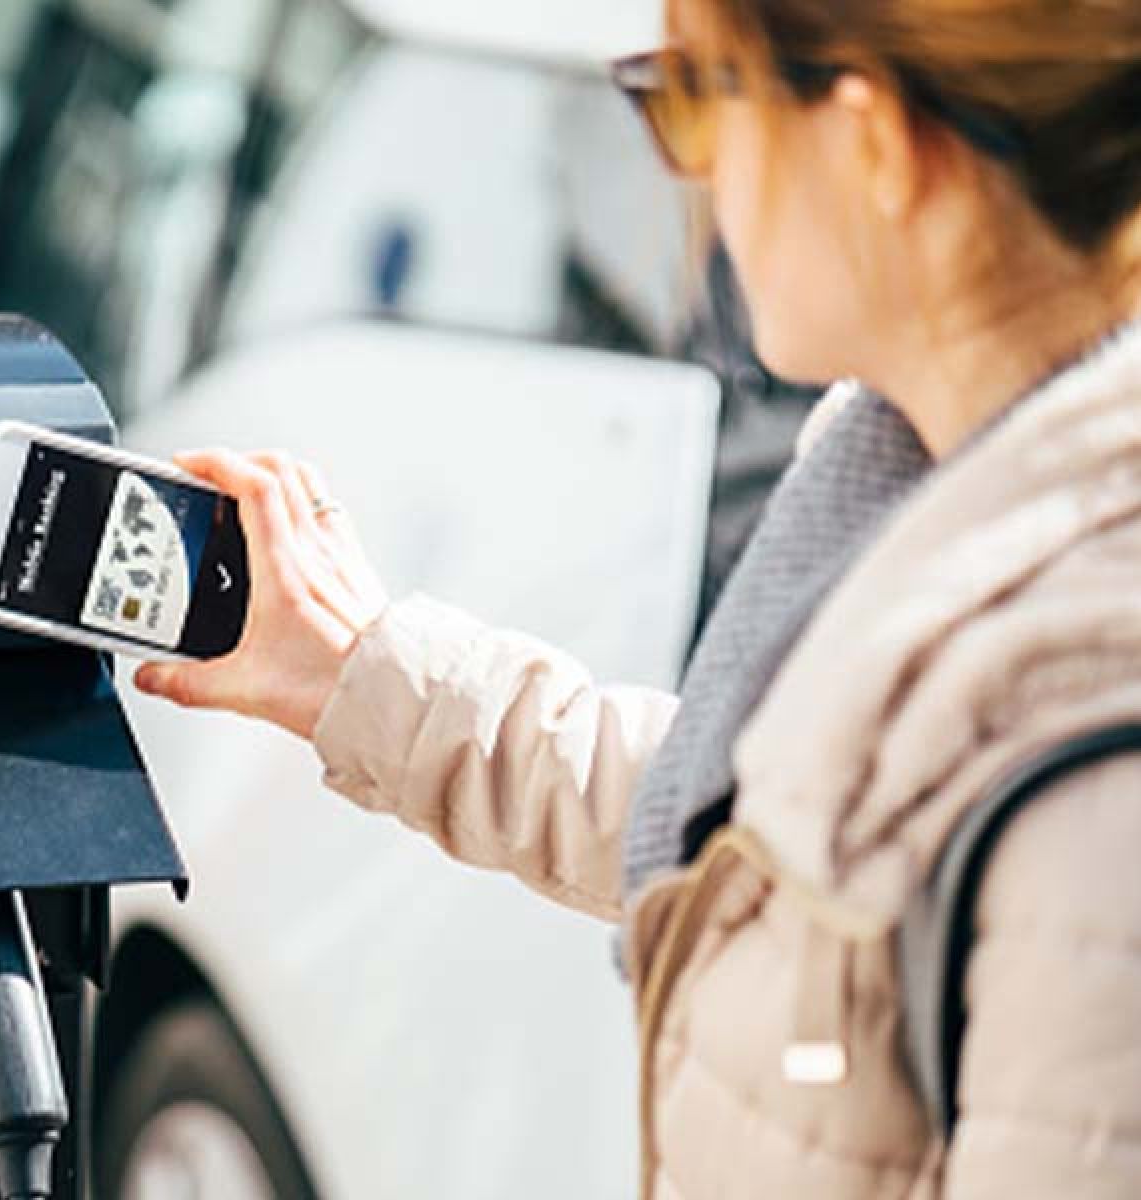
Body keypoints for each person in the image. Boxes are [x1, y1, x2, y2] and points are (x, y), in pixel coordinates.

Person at [132, 0, 1141, 1193]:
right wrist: (362, 669)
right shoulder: (924, 478)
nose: (686, 179)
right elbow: (762, 830)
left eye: (696, 95)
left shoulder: (1090, 774)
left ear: (872, 147)